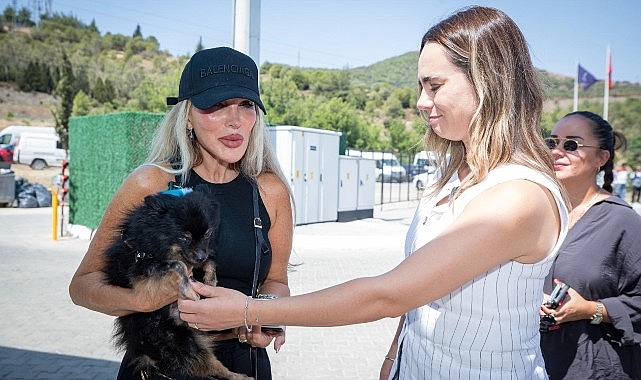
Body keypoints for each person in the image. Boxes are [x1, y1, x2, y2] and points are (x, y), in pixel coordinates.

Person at [178, 6, 570, 379]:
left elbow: (388, 295)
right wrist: (394, 356)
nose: (421, 102)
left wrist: (248, 310)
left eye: (435, 86)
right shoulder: (457, 177)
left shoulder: (519, 197)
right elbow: (422, 287)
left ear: (489, 82)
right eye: (420, 86)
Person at [68, 47, 294, 379]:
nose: (234, 120)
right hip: (162, 364)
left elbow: (276, 279)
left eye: (246, 105)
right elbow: (83, 286)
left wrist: (266, 317)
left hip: (244, 361)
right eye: (216, 105)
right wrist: (146, 299)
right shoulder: (152, 183)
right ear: (187, 116)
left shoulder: (270, 190)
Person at [540, 111, 641, 379]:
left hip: (590, 366)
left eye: (571, 144)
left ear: (601, 158)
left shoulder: (622, 221)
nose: (558, 151)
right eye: (553, 142)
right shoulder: (538, 212)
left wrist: (589, 309)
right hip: (530, 362)